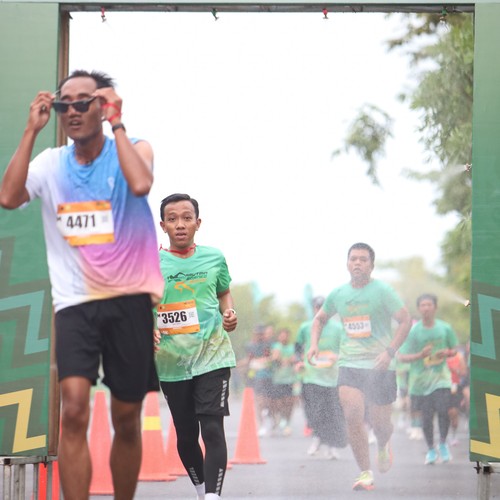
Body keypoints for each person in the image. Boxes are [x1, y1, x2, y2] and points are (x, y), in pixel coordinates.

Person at [0, 70, 164, 499]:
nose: (71, 111)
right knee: (73, 409)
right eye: (64, 104)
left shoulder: (135, 149)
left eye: (82, 102)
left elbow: (141, 183)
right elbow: (9, 196)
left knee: (126, 417)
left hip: (129, 299)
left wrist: (118, 123)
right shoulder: (51, 163)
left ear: (102, 106)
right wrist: (31, 131)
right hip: (75, 303)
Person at [307, 242, 411, 491]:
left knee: (380, 424)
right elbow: (319, 319)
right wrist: (314, 344)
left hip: (380, 365)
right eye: (353, 258)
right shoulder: (339, 294)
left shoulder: (382, 291)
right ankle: (365, 473)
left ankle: (383, 444)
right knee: (352, 414)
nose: (357, 263)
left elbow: (405, 320)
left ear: (371, 265)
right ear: (347, 263)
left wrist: (390, 352)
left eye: (363, 259)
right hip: (350, 363)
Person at [154, 193, 237, 500]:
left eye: (187, 218)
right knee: (187, 436)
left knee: (212, 429)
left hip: (213, 355)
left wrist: (229, 313)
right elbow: (138, 304)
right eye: (172, 219)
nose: (180, 224)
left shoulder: (214, 258)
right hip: (171, 362)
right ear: (163, 225)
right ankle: (202, 491)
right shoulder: (150, 263)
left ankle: (213, 497)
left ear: (198, 223)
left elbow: (224, 293)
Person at [398, 294, 458, 465]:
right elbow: (401, 356)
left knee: (443, 410)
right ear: (419, 309)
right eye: (423, 305)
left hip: (441, 378)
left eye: (429, 304)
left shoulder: (445, 328)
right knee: (426, 417)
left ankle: (443, 443)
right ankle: (431, 449)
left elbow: (454, 349)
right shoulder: (413, 331)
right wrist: (420, 355)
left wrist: (447, 353)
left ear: (435, 307)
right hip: (421, 382)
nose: (426, 308)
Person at [295, 296, 347, 459]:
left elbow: (346, 348)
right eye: (318, 307)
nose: (320, 310)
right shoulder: (306, 327)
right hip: (311, 376)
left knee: (333, 413)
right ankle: (317, 438)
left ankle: (331, 446)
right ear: (314, 308)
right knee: (315, 412)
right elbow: (297, 348)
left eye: (324, 307)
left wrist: (337, 356)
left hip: (332, 378)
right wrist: (299, 362)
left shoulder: (338, 328)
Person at [269, 327, 297, 436]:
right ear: (279, 337)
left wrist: (288, 360)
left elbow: (294, 359)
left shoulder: (291, 347)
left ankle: (287, 423)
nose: (284, 337)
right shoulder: (276, 346)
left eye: (286, 335)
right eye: (282, 335)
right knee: (278, 403)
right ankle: (278, 421)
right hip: (277, 380)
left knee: (289, 402)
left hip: (289, 379)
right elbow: (275, 358)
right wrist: (284, 359)